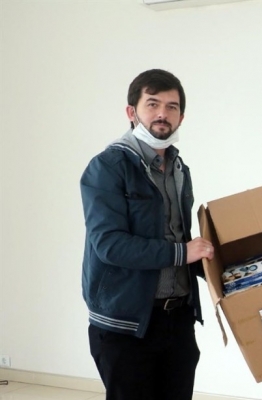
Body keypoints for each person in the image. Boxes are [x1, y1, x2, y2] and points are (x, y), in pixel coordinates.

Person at [80, 69, 214, 400]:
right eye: (152, 104)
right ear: (132, 112)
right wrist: (184, 252)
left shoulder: (180, 170)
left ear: (181, 117)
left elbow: (179, 238)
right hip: (127, 325)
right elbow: (110, 245)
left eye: (172, 107)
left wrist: (219, 265)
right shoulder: (108, 167)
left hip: (178, 319)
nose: (162, 114)